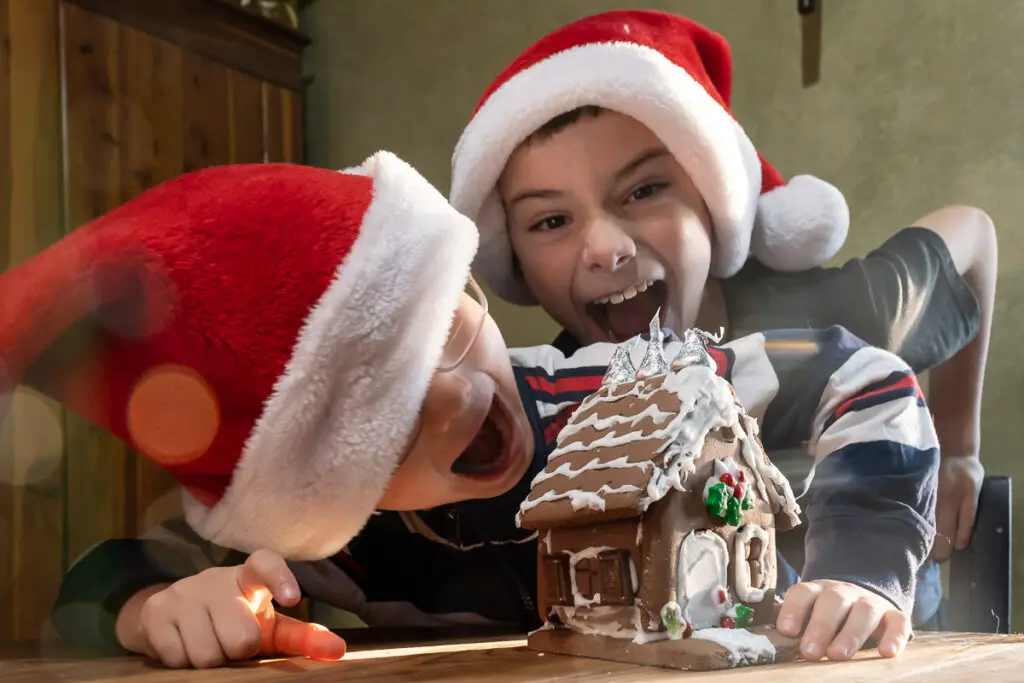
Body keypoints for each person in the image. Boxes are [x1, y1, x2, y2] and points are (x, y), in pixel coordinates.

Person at [5, 156, 938, 666]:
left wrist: (861, 563)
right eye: (392, 415)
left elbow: (865, 377)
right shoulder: (335, 551)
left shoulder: (626, 382)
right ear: (329, 494)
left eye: (447, 324)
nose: (460, 392)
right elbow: (106, 571)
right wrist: (157, 607)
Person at [447, 9, 996, 630]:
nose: (604, 248)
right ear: (513, 257)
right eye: (551, 221)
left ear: (715, 198)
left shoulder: (843, 320)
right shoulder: (561, 411)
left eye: (644, 190)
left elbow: (973, 235)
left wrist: (957, 447)